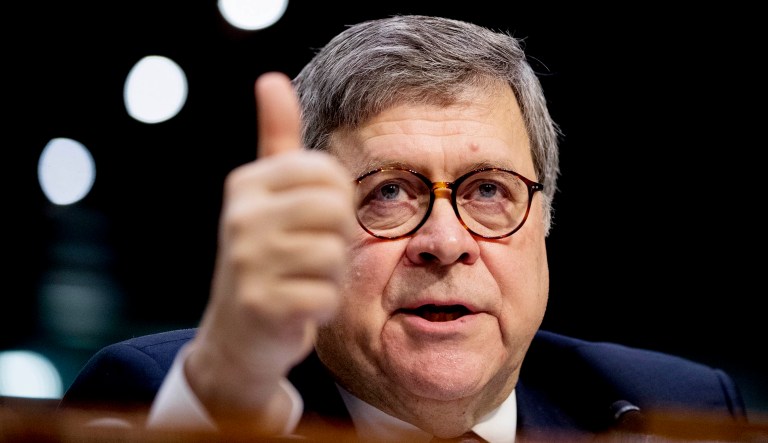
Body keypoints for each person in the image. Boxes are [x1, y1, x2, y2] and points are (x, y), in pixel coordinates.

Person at [58, 15, 748, 442]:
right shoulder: (158, 395)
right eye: (389, 191)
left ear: (544, 219)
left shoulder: (679, 410)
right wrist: (226, 387)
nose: (445, 242)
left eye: (487, 190)